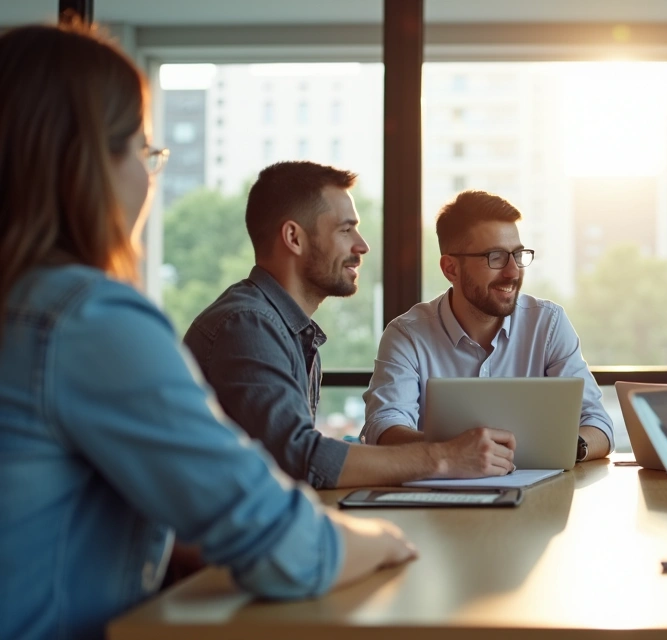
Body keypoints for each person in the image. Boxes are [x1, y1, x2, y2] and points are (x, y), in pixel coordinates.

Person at [0, 22, 414, 640]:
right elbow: (287, 546)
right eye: (144, 151)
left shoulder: (27, 308)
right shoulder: (87, 319)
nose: (149, 176)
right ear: (89, 165)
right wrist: (388, 539)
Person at [184, 162, 511, 487]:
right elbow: (297, 459)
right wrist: (446, 458)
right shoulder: (247, 325)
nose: (362, 245)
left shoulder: (286, 329)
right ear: (294, 238)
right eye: (345, 230)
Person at [362, 190, 613, 464]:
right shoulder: (407, 335)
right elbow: (383, 427)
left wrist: (566, 446)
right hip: (440, 498)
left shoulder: (548, 324)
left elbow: (598, 423)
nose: (513, 272)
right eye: (495, 257)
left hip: (541, 495)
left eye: (518, 255)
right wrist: (454, 454)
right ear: (451, 269)